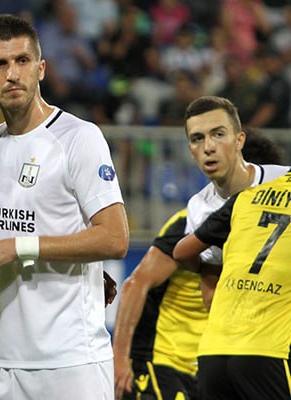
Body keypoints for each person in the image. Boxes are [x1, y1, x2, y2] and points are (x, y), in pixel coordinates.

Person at [0, 14, 129, 399]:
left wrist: (18, 248)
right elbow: (29, 216)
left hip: (70, 363)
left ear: (41, 68)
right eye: (0, 64)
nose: (12, 74)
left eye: (22, 61)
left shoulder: (79, 138)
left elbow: (115, 238)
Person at [112, 129, 285, 400]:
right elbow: (135, 284)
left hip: (203, 365)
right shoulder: (190, 224)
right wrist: (119, 359)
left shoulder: (252, 231)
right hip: (162, 362)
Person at [173, 170, 291, 400]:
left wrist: (213, 273)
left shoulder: (246, 197)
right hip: (269, 350)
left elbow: (181, 252)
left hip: (213, 352)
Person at [182, 95, 288, 310]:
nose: (208, 147)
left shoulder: (283, 179)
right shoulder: (198, 207)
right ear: (191, 150)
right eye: (197, 138)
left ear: (239, 140)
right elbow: (211, 289)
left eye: (218, 134)